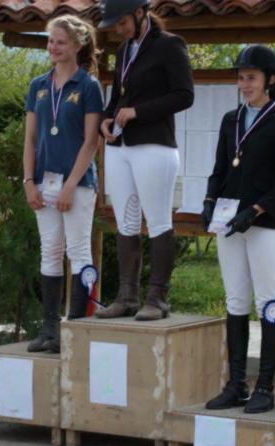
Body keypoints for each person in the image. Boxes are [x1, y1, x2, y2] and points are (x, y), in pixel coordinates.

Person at [202, 45, 275, 413]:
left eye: (251, 77)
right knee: (235, 302)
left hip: (266, 225)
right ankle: (237, 384)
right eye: (240, 77)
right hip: (229, 224)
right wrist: (210, 202)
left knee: (267, 303)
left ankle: (266, 389)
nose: (244, 84)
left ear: (270, 80)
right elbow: (220, 170)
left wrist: (255, 210)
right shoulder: (230, 120)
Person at [96, 0, 194, 321]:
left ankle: (158, 297)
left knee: (158, 220)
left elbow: (184, 95)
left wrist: (139, 112)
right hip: (121, 146)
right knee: (124, 221)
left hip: (154, 145)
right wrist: (106, 120)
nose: (118, 29)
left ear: (139, 12)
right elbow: (118, 99)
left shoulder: (170, 45)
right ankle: (127, 296)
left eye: (121, 22)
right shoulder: (125, 50)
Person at [23, 15, 103, 353]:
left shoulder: (88, 86)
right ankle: (51, 332)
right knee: (50, 252)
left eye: (60, 41)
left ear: (77, 45)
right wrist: (28, 180)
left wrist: (71, 184)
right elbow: (29, 139)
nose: (52, 47)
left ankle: (78, 331)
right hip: (44, 182)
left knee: (79, 251)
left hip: (78, 183)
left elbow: (91, 142)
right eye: (50, 41)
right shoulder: (38, 86)